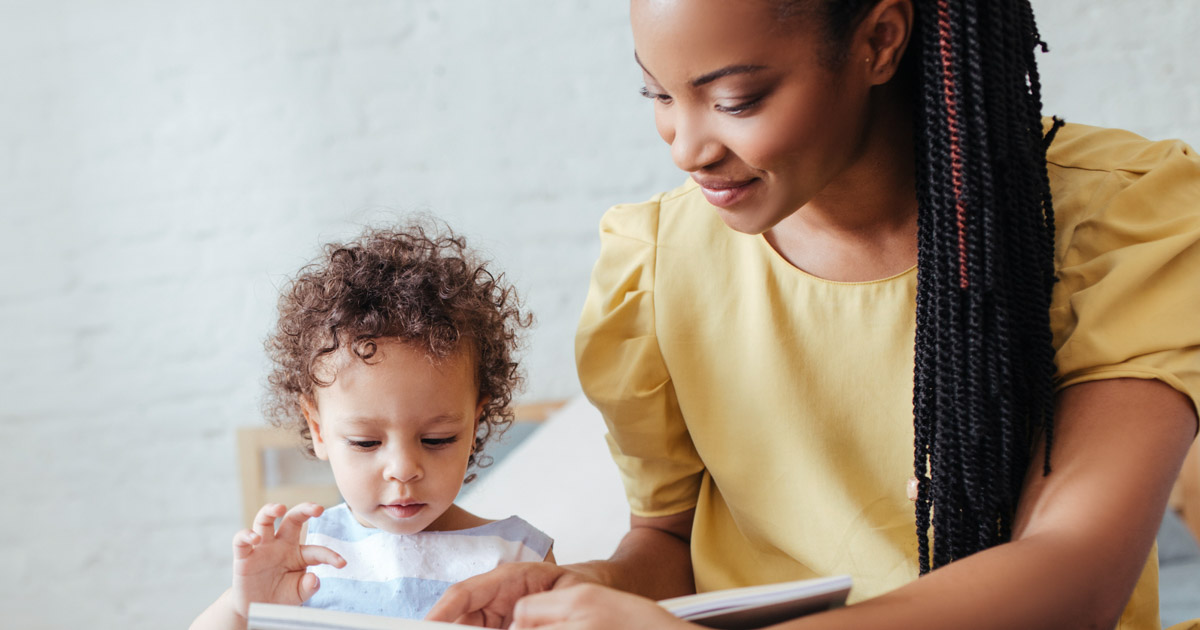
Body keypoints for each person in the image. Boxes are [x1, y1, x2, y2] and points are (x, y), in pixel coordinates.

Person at [425, 1, 1200, 628]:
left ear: (879, 41)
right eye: (658, 94)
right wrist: (581, 587)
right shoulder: (655, 264)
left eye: (735, 99)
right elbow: (667, 540)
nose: (686, 146)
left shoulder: (1113, 222)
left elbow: (1077, 574)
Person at [190, 224, 553, 630]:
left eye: (437, 439)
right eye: (365, 442)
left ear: (475, 425)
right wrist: (243, 609)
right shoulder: (304, 555)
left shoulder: (518, 557)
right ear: (319, 429)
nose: (402, 468)